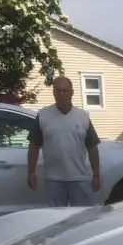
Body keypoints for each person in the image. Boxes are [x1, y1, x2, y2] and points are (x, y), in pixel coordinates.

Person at [26, 75, 101, 206]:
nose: (61, 94)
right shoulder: (43, 116)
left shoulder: (83, 117)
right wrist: (31, 172)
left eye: (65, 91)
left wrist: (96, 175)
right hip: (54, 179)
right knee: (57, 221)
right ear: (53, 93)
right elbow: (34, 145)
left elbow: (92, 147)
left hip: (79, 178)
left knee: (81, 218)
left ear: (72, 93)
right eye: (57, 91)